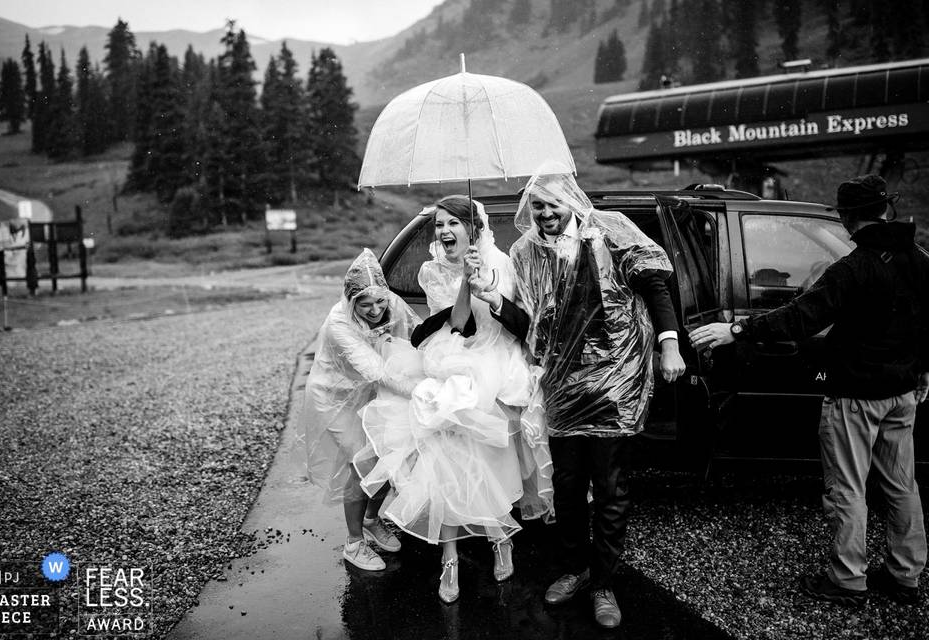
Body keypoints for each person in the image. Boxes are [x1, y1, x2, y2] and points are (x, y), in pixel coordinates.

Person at [689, 174, 928, 607]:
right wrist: (923, 368)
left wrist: (737, 328)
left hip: (856, 396)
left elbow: (800, 318)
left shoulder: (851, 269)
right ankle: (905, 576)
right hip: (902, 392)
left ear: (846, 217)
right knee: (902, 486)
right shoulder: (918, 259)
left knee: (848, 490)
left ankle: (847, 580)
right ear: (884, 209)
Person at [498, 169, 685, 629]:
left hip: (614, 381)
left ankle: (603, 582)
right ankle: (573, 568)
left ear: (573, 203)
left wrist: (669, 344)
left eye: (552, 204)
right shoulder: (525, 253)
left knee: (609, 487)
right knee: (565, 485)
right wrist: (493, 300)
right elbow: (533, 325)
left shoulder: (610, 230)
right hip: (563, 386)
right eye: (536, 205)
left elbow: (656, 286)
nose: (544, 213)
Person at [356, 195, 553, 604]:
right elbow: (457, 323)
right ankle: (450, 556)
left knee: (479, 451)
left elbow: (521, 326)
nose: (445, 232)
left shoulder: (501, 262)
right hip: (449, 356)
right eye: (440, 225)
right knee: (440, 452)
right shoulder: (430, 270)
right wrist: (465, 281)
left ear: (473, 229)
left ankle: (500, 536)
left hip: (494, 361)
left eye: (453, 224)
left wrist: (484, 282)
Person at [301, 248, 421, 572]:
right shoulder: (338, 324)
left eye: (379, 300)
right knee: (363, 462)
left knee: (387, 453)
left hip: (366, 392)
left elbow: (418, 331)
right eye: (364, 304)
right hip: (333, 397)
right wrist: (421, 391)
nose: (375, 309)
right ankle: (353, 543)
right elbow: (377, 370)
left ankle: (371, 520)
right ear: (350, 300)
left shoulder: (390, 304)